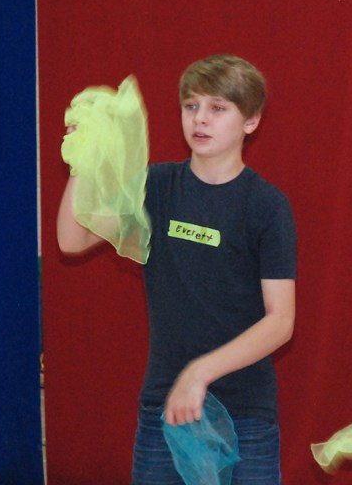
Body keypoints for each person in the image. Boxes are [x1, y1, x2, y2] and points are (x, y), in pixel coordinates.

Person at [57, 55, 297, 484]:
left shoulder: (266, 206)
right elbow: (72, 240)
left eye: (217, 108)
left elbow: (281, 321)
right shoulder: (156, 187)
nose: (200, 119)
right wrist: (82, 160)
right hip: (165, 406)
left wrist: (200, 372)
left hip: (246, 412)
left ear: (251, 121)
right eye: (191, 106)